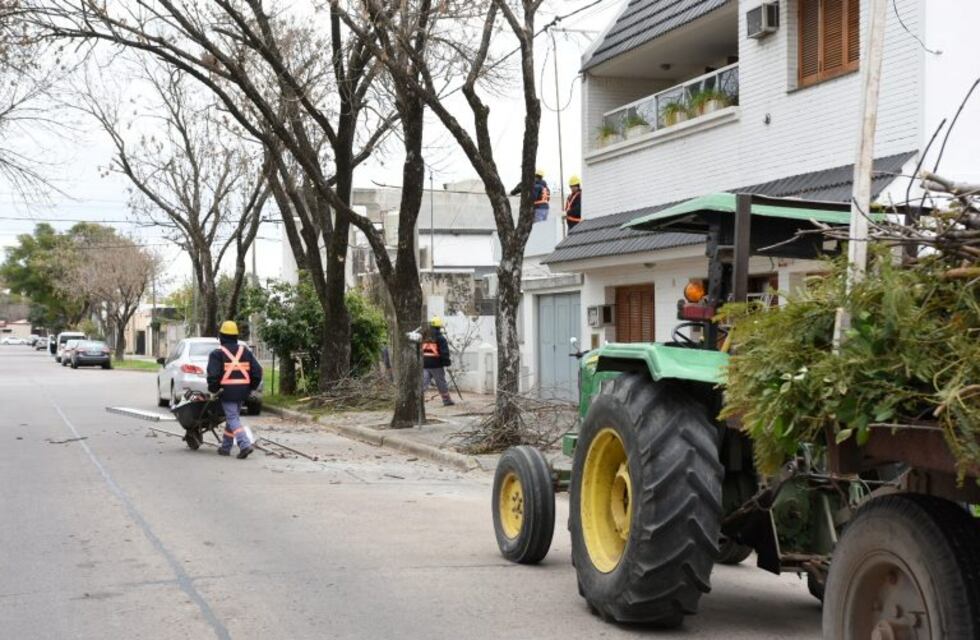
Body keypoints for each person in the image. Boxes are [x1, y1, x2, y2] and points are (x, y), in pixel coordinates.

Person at [207, 320, 263, 459]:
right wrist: (251, 387)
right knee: (233, 418)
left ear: (221, 337)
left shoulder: (217, 354)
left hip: (227, 392)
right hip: (243, 391)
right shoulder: (245, 351)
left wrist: (214, 388)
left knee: (232, 418)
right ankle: (225, 447)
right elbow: (257, 371)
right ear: (236, 336)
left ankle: (244, 445)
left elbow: (213, 375)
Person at [421, 316, 455, 406]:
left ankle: (417, 400)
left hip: (424, 364)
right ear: (439, 327)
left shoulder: (423, 337)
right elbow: (444, 352)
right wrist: (446, 363)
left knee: (423, 383)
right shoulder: (441, 338)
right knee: (441, 382)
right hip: (436, 365)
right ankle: (446, 400)